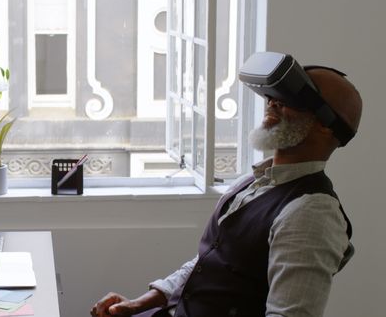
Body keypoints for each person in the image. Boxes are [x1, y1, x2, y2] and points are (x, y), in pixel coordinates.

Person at [91, 62, 363, 317]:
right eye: (274, 94)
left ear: (326, 127)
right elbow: (210, 262)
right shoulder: (253, 181)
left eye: (293, 99)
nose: (273, 102)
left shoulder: (311, 213)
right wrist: (139, 304)